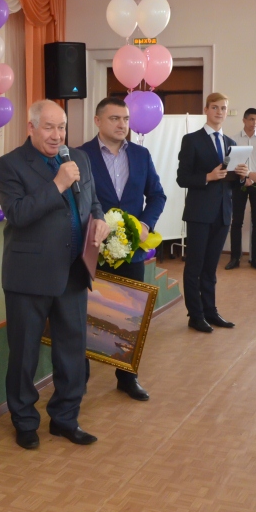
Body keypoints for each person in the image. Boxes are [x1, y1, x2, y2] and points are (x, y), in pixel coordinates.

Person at [0, 100, 110, 450]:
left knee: (72, 352)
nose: (57, 135)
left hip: (74, 270)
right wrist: (57, 184)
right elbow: (18, 214)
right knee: (24, 354)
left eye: (61, 127)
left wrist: (100, 219)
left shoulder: (79, 158)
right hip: (29, 275)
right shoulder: (9, 164)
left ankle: (65, 418)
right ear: (31, 127)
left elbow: (91, 201)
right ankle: (24, 421)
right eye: (49, 127)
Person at [77, 97, 165, 402]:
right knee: (87, 313)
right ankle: (79, 379)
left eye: (125, 119)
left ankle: (127, 377)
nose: (122, 124)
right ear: (98, 121)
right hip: (92, 248)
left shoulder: (141, 155)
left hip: (132, 251)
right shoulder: (81, 155)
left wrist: (146, 224)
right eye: (114, 118)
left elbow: (157, 195)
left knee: (129, 315)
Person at [177, 93, 248, 333]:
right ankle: (195, 315)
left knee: (210, 268)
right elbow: (182, 178)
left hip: (223, 213)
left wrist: (241, 177)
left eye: (223, 108)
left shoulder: (231, 143)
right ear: (206, 110)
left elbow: (232, 184)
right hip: (199, 213)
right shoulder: (192, 140)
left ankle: (210, 311)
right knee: (194, 267)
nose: (219, 112)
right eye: (215, 107)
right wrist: (208, 176)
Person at [226, 108, 256, 271]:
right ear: (244, 120)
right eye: (252, 119)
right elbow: (230, 163)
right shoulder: (233, 139)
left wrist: (253, 177)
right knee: (236, 221)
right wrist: (244, 177)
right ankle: (235, 258)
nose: (255, 123)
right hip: (239, 182)